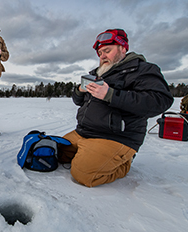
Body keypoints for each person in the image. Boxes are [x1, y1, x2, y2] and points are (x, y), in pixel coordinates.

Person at [58, 29, 174, 187]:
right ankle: (90, 155)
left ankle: (123, 162)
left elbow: (161, 101)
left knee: (84, 175)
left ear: (123, 48)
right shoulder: (97, 74)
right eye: (100, 53)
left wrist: (110, 95)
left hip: (115, 137)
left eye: (107, 51)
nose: (102, 56)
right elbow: (78, 101)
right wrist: (79, 90)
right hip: (83, 132)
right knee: (55, 152)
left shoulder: (143, 69)